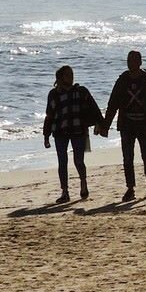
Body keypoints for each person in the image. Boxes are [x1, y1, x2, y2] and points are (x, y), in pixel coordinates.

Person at [97, 50, 146, 201]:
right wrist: (105, 125)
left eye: (132, 60)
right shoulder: (122, 81)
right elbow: (112, 104)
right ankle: (130, 188)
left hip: (145, 124)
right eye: (128, 60)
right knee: (127, 158)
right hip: (127, 125)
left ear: (139, 62)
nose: (129, 63)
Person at [41, 65, 101, 204]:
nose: (71, 77)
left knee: (78, 161)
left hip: (78, 130)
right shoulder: (53, 94)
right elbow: (49, 116)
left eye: (72, 74)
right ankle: (65, 192)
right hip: (60, 132)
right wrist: (46, 136)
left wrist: (99, 124)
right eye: (68, 75)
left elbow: (94, 108)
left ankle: (84, 183)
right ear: (60, 78)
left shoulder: (81, 91)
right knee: (62, 162)